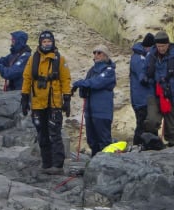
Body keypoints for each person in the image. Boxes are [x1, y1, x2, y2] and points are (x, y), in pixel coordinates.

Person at [22, 30, 74, 172]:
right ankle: (46, 163)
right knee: (42, 133)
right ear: (40, 43)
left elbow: (65, 79)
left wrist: (67, 99)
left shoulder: (59, 59)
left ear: (53, 42)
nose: (46, 44)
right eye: (44, 42)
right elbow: (27, 78)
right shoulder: (33, 59)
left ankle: (57, 165)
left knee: (55, 133)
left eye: (49, 41)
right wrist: (24, 97)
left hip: (54, 102)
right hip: (38, 102)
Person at [141, 31, 174, 148]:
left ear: (168, 44)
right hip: (154, 93)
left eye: (163, 46)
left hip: (171, 95)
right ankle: (151, 144)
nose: (161, 49)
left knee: (171, 129)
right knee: (151, 121)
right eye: (158, 46)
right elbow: (143, 72)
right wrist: (144, 78)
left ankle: (173, 146)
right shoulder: (150, 56)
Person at [72, 46, 116, 156]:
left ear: (105, 55)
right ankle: (94, 161)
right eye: (95, 53)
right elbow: (86, 87)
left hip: (102, 112)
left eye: (99, 53)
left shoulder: (109, 70)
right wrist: (82, 88)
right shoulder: (91, 70)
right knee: (92, 140)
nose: (96, 55)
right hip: (90, 111)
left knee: (104, 141)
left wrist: (81, 83)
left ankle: (107, 163)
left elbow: (97, 82)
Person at [128, 32, 155, 142]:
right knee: (143, 125)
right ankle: (138, 146)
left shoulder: (142, 56)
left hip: (145, 98)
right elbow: (144, 79)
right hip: (141, 99)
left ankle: (148, 146)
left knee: (148, 124)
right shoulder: (138, 58)